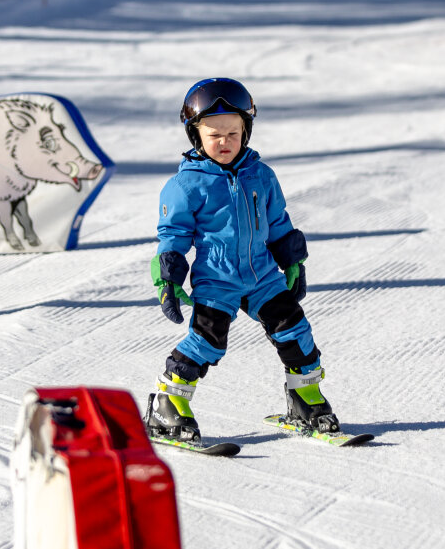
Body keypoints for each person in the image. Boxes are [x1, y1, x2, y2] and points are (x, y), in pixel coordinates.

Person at [145, 78, 339, 443]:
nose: (224, 142)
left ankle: (305, 398)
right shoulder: (185, 185)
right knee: (207, 342)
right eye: (214, 134)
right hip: (217, 278)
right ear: (195, 135)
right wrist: (168, 279)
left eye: (233, 132)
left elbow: (279, 222)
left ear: (245, 131)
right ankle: (167, 404)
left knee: (295, 331)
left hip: (263, 276)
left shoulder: (261, 175)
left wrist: (293, 262)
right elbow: (173, 236)